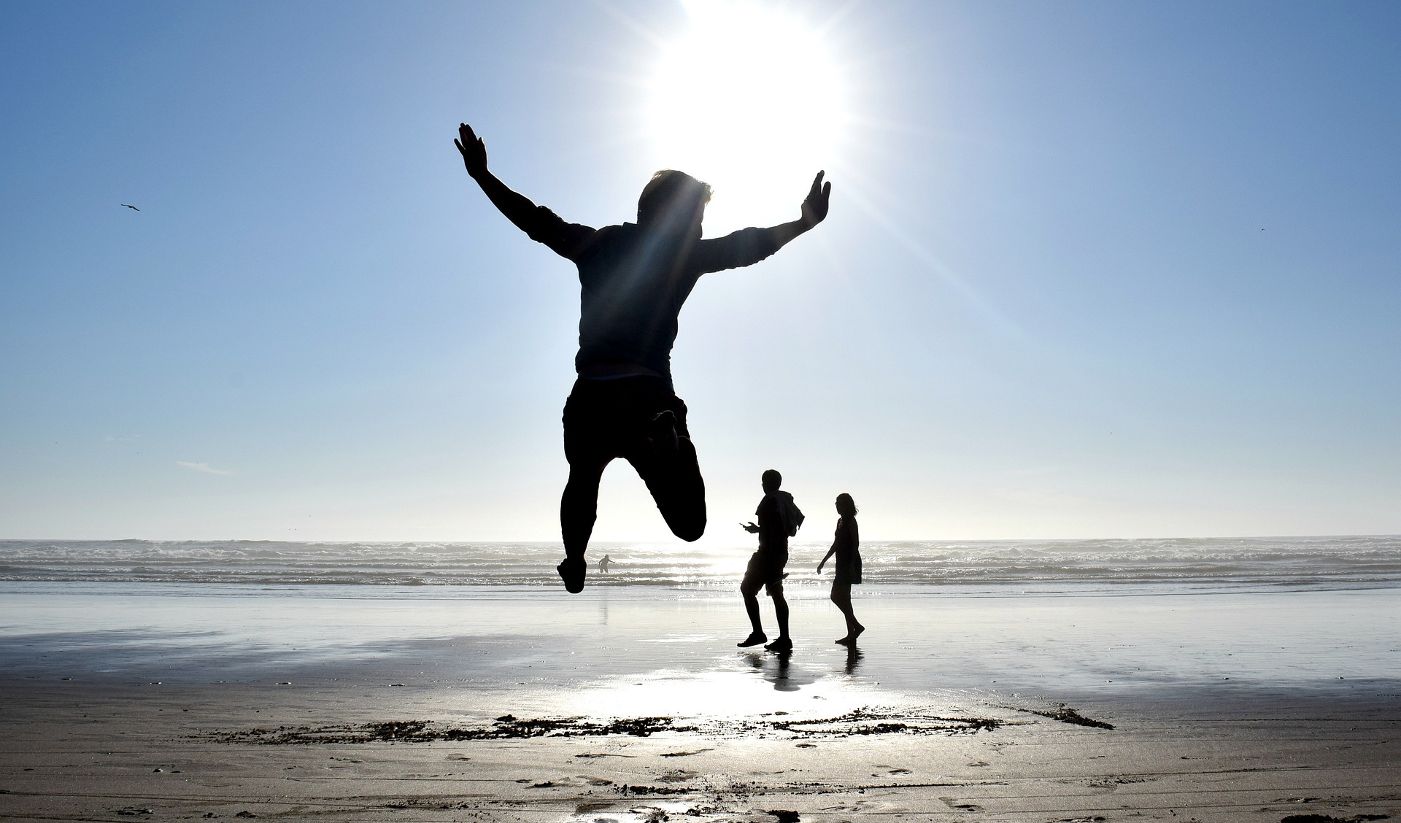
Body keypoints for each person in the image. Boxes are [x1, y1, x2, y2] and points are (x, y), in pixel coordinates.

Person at [454, 123, 832, 594]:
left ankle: (574, 559)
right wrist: (803, 223)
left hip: (592, 393)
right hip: (648, 395)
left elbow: (534, 219)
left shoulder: (597, 244)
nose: (699, 228)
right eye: (695, 218)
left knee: (581, 481)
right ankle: (668, 439)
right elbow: (748, 246)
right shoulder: (685, 256)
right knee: (691, 524)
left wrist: (482, 177)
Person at [738, 469, 804, 651]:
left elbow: (770, 527)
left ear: (765, 483)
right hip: (781, 552)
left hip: (767, 554)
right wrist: (758, 530)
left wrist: (760, 532)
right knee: (776, 593)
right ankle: (784, 638)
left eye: (763, 482)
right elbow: (784, 527)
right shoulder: (785, 500)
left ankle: (759, 632)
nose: (762, 485)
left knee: (747, 589)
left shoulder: (768, 501)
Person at [816, 492, 864, 645]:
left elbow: (855, 544)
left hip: (849, 562)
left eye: (839, 503)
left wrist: (850, 565)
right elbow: (835, 544)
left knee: (836, 596)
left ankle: (856, 626)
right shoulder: (839, 521)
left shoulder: (851, 521)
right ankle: (851, 634)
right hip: (841, 562)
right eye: (836, 502)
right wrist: (823, 561)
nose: (836, 505)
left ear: (846, 505)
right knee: (845, 599)